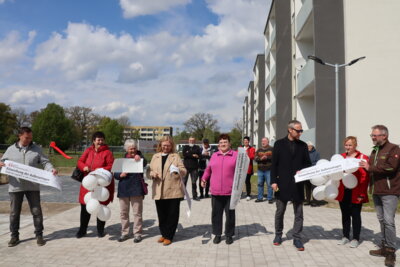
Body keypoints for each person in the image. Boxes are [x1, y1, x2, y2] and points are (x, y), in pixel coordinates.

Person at [0, 127, 57, 247]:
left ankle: (39, 235)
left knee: (36, 211)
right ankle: (14, 236)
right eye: (27, 137)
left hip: (33, 187)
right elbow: (3, 162)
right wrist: (1, 164)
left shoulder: (37, 149)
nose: (29, 140)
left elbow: (45, 162)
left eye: (31, 138)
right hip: (15, 187)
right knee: (14, 213)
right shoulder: (10, 150)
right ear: (19, 136)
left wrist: (51, 169)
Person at [359, 125, 400, 267]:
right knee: (382, 219)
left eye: (375, 135)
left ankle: (390, 251)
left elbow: (391, 167)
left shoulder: (394, 149)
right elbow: (371, 168)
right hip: (377, 190)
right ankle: (384, 246)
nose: (372, 137)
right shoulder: (374, 150)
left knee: (389, 221)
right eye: (372, 135)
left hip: (390, 191)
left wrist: (370, 168)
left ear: (384, 136)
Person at [271, 120, 311, 251]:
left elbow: (308, 163)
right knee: (280, 211)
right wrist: (273, 181)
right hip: (282, 183)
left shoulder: (303, 145)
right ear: (290, 130)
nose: (300, 133)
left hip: (298, 184)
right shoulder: (279, 144)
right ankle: (278, 235)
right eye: (298, 130)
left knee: (299, 213)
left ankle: (297, 238)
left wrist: (303, 170)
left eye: (301, 131)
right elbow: (274, 165)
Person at [76, 131, 114, 238]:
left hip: (102, 185)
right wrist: (83, 167)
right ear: (94, 141)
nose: (100, 142)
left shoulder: (108, 153)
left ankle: (100, 230)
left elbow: (111, 165)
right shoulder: (88, 151)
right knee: (84, 208)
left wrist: (99, 170)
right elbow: (80, 161)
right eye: (98, 140)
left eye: (102, 140)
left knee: (101, 207)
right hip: (88, 184)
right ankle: (82, 230)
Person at [149, 136, 186, 246]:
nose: (166, 147)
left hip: (173, 190)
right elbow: (150, 170)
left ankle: (169, 236)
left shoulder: (175, 156)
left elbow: (184, 171)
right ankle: (164, 234)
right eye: (164, 145)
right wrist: (152, 174)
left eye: (168, 145)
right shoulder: (155, 156)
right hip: (159, 190)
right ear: (160, 145)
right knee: (162, 214)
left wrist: (177, 170)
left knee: (172, 214)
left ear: (171, 146)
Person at [201, 134, 238, 245]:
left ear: (229, 143)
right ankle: (217, 234)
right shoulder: (214, 155)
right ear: (218, 145)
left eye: (225, 142)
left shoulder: (236, 155)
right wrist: (204, 178)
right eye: (221, 142)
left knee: (230, 215)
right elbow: (208, 169)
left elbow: (242, 171)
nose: (223, 144)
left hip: (230, 191)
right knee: (216, 214)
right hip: (216, 191)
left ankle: (229, 235)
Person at [336, 136, 369, 248]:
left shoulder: (362, 158)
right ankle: (345, 236)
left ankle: (355, 238)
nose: (348, 147)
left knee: (355, 215)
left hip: (357, 192)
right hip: (344, 191)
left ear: (355, 145)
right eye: (346, 145)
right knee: (345, 215)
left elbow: (365, 178)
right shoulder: (341, 157)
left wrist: (362, 194)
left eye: (350, 145)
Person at [114, 139, 147, 243]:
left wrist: (140, 157)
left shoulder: (140, 158)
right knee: (123, 213)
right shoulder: (122, 160)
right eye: (130, 148)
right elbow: (115, 174)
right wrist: (120, 175)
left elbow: (145, 163)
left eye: (134, 148)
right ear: (126, 149)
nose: (133, 150)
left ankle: (137, 233)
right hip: (123, 189)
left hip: (136, 189)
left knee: (137, 213)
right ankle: (125, 232)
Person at [254, 137, 273, 203]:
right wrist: (260, 159)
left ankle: (270, 198)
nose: (263, 142)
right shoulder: (259, 150)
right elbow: (255, 158)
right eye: (262, 141)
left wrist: (267, 157)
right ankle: (260, 198)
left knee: (269, 184)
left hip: (269, 170)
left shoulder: (272, 149)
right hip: (260, 170)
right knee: (260, 184)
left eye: (264, 141)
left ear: (268, 142)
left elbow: (275, 157)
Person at [182, 136, 201, 201]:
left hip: (194, 168)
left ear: (195, 141)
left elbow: (199, 155)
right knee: (184, 182)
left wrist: (189, 154)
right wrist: (193, 155)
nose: (191, 141)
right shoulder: (185, 147)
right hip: (186, 167)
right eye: (190, 140)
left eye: (193, 140)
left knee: (194, 182)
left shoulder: (197, 147)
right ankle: (182, 196)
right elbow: (184, 154)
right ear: (188, 140)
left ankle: (195, 196)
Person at [304, 141, 320, 206]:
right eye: (307, 146)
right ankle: (308, 201)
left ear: (312, 146)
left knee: (314, 187)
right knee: (307, 187)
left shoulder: (316, 153)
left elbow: (317, 162)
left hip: (314, 172)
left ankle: (314, 201)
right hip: (307, 173)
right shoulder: (304, 153)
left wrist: (310, 165)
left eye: (309, 146)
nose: (308, 147)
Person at [243, 136, 255, 201]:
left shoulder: (252, 149)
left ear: (249, 141)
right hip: (241, 168)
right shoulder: (240, 148)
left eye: (247, 141)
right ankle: (239, 194)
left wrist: (246, 154)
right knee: (240, 182)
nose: (245, 142)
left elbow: (252, 156)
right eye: (244, 141)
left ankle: (248, 195)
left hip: (248, 168)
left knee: (247, 181)